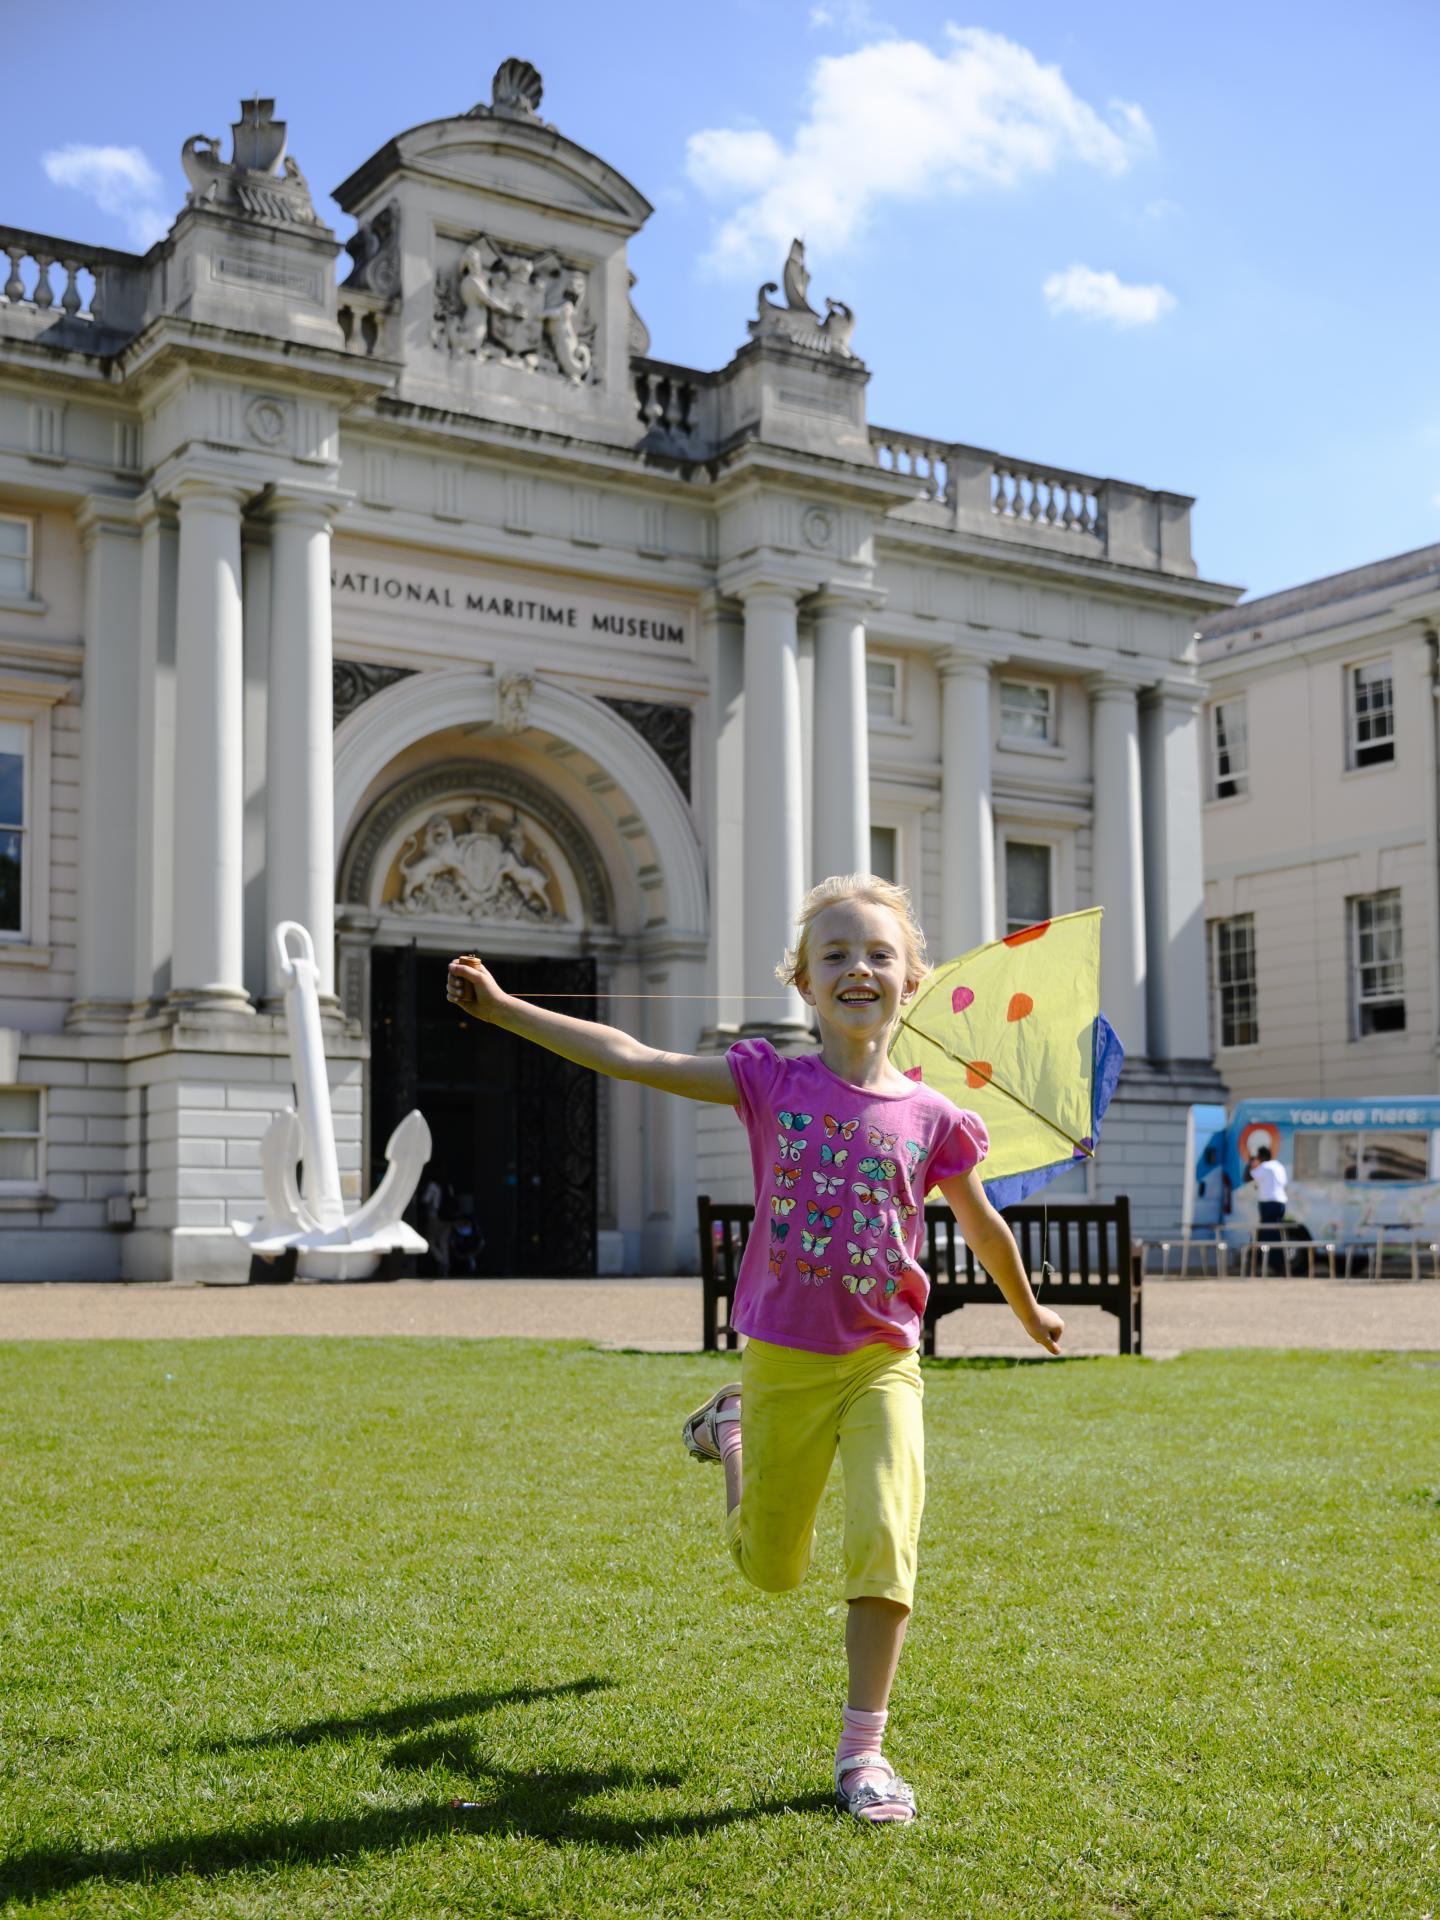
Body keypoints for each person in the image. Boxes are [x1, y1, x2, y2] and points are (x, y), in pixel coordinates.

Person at [445, 874, 1063, 1826]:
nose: (859, 967)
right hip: (781, 1361)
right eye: (835, 955)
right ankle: (730, 1430)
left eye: (879, 954)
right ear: (805, 984)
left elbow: (984, 1230)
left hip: (882, 1363)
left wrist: (1028, 1312)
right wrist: (504, 1009)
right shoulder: (771, 1080)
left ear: (913, 981)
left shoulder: (935, 1120)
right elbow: (632, 1055)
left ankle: (864, 1752)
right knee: (771, 1569)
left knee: (887, 1537)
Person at [1246, 1144, 1290, 1275]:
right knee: (1274, 1232)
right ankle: (1278, 1263)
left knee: (1267, 1233)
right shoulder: (1279, 1166)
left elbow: (1249, 1176)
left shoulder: (1265, 1167)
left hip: (1268, 1203)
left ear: (1261, 1157)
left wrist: (1252, 1162)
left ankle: (1264, 1263)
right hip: (1281, 1202)